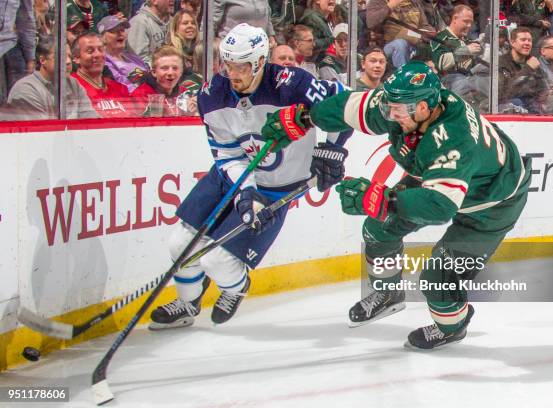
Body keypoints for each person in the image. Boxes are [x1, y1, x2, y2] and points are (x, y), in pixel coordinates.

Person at [262, 61, 531, 350]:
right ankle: (388, 294)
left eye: (399, 111)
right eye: (391, 106)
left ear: (426, 108)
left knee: (439, 278)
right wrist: (307, 118)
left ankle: (452, 327)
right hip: (439, 180)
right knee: (378, 228)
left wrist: (384, 200)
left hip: (492, 204)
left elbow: (440, 205)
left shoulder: (453, 138)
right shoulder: (406, 104)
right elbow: (348, 107)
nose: (391, 115)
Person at [148, 23, 348, 329]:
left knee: (219, 261)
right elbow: (227, 152)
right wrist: (246, 191)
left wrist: (331, 150)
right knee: (180, 242)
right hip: (231, 174)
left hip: (279, 187)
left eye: (240, 65)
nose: (232, 73)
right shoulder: (212, 95)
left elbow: (343, 106)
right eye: (227, 64)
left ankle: (235, 287)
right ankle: (187, 304)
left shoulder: (292, 83)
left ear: (258, 62)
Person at [6, 40, 98, 120]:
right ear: (42, 60)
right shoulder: (26, 89)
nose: (68, 61)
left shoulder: (73, 84)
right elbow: (41, 132)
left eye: (69, 56)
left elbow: (91, 121)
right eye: (61, 57)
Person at [71, 32, 133, 117]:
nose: (97, 54)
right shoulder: (71, 87)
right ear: (76, 58)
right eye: (90, 51)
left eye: (101, 50)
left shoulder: (120, 88)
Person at [431, 5, 484, 100]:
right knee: (462, 82)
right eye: (466, 21)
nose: (469, 25)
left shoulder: (468, 41)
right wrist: (465, 51)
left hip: (469, 79)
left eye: (471, 22)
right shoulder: (441, 38)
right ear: (455, 18)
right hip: (446, 82)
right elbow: (441, 63)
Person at [366, 0, 435, 69]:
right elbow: (371, 22)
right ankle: (403, 76)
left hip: (416, 42)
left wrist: (432, 32)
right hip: (388, 46)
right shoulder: (378, 2)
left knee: (436, 43)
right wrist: (391, 5)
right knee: (400, 44)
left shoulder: (414, 2)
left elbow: (424, 25)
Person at [131, 46, 198, 116]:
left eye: (175, 68)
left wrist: (194, 111)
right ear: (154, 72)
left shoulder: (185, 93)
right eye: (164, 68)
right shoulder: (140, 95)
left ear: (181, 72)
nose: (170, 73)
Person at [498, 26, 547, 113]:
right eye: (523, 40)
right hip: (509, 107)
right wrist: (528, 69)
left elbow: (542, 89)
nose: (527, 43)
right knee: (517, 102)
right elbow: (505, 93)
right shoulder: (501, 62)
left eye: (529, 40)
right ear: (512, 42)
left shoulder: (533, 62)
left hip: (531, 105)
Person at [99, 15, 149, 92]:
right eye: (114, 31)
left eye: (122, 30)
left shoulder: (132, 57)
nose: (120, 33)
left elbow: (150, 75)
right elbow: (121, 86)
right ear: (102, 37)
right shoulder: (104, 61)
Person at [127, 0, 172, 68]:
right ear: (154, 1)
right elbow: (138, 60)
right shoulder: (140, 22)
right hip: (149, 75)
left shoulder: (172, 21)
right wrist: (166, 65)